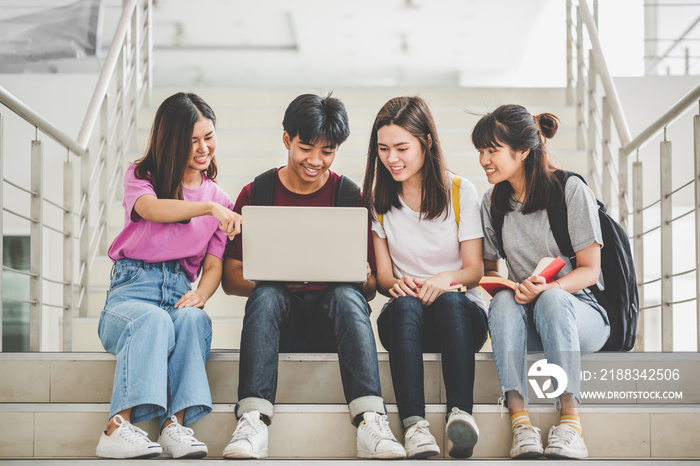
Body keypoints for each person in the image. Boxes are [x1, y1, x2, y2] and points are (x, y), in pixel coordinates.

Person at [220, 93, 406, 460]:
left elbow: (369, 290)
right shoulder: (257, 194)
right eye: (307, 148)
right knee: (267, 294)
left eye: (328, 151)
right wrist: (276, 278)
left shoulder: (350, 197)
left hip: (331, 325)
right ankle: (253, 419)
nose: (316, 161)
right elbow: (229, 279)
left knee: (347, 295)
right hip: (280, 321)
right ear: (287, 139)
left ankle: (370, 419)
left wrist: (362, 276)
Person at [95, 92, 241, 459]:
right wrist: (207, 207)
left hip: (177, 291)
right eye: (191, 140)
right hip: (130, 294)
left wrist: (202, 295)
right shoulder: (143, 176)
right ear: (171, 141)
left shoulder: (222, 201)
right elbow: (151, 210)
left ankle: (175, 425)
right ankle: (116, 427)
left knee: (192, 320)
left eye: (208, 137)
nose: (203, 148)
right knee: (154, 320)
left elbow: (213, 264)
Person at [472, 104, 610, 460]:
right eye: (481, 151)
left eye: (493, 150)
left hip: (581, 315)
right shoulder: (493, 202)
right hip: (527, 313)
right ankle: (521, 423)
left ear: (522, 151)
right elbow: (489, 272)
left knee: (551, 302)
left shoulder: (569, 190)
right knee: (502, 302)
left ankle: (570, 423)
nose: (484, 160)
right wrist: (505, 287)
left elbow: (590, 270)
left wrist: (550, 289)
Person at [362, 96, 489, 459]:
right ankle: (415, 427)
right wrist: (397, 286)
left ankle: (461, 416)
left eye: (402, 148)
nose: (392, 158)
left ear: (427, 142)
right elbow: (385, 277)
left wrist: (443, 279)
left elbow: (474, 271)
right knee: (402, 307)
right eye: (383, 149)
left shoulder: (460, 191)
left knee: (450, 299)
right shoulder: (377, 202)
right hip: (408, 322)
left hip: (460, 318)